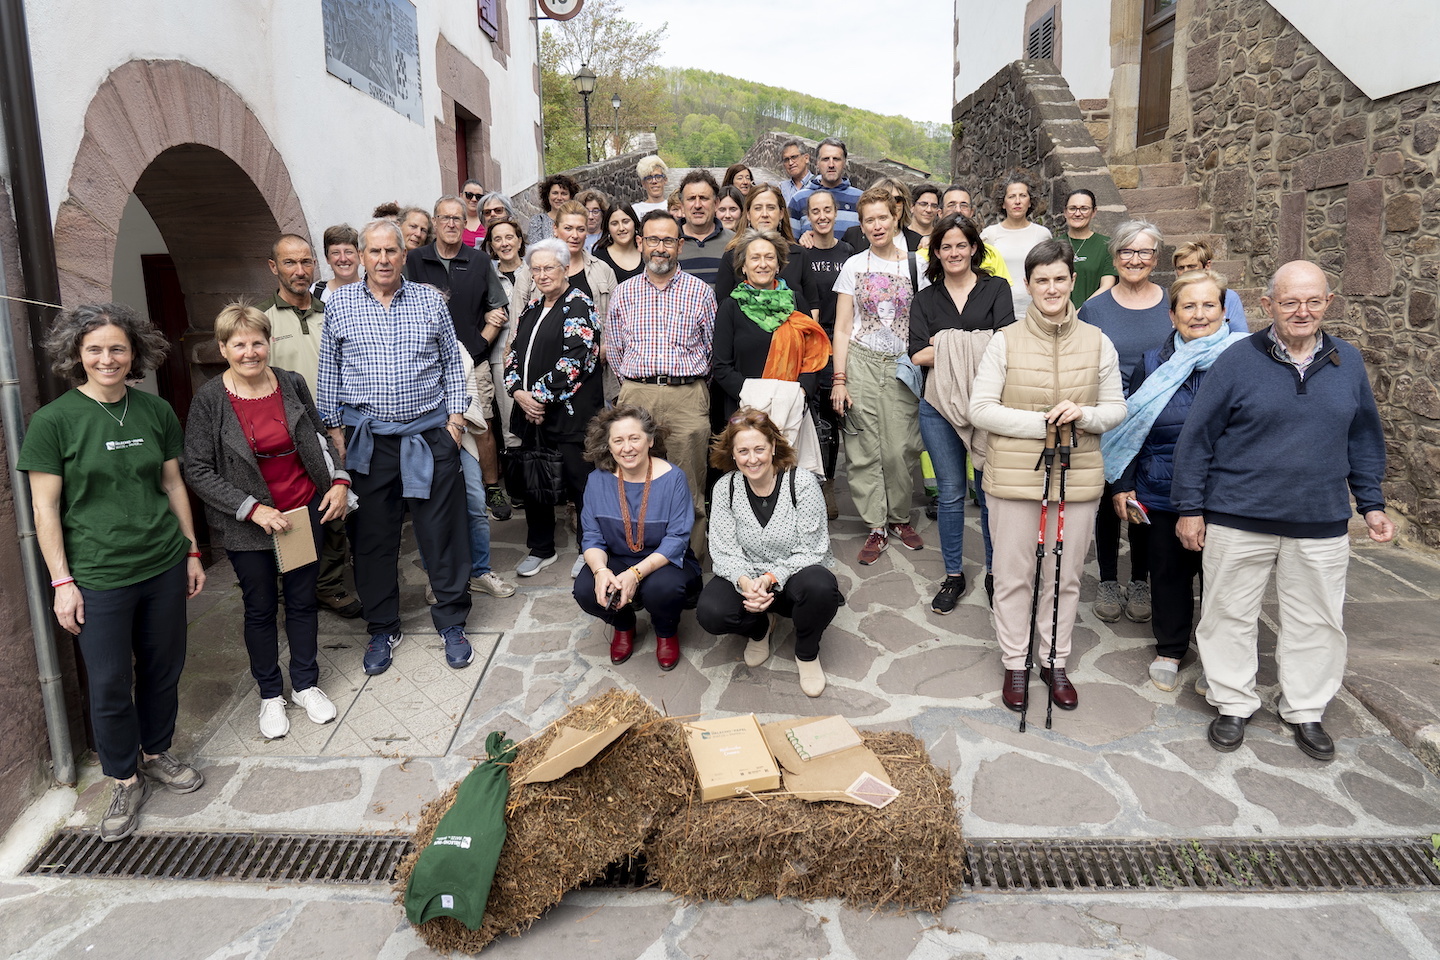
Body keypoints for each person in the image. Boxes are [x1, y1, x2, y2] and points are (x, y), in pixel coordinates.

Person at [1173, 260, 1394, 759]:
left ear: (1328, 304)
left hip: (1320, 519)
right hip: (1237, 514)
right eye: (1290, 301)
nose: (1302, 311)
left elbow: (1362, 437)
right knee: (1228, 613)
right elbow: (1198, 439)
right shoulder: (1236, 360)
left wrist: (1372, 503)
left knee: (1317, 620)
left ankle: (1306, 709)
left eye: (1313, 301)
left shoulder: (1349, 362)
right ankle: (1232, 702)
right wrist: (1190, 507)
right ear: (1268, 306)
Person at [19, 303, 207, 842]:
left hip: (163, 562)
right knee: (107, 683)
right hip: (99, 575)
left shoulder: (155, 411)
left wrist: (191, 552)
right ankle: (124, 777)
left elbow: (173, 485)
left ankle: (156, 752)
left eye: (118, 348)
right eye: (96, 349)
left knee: (163, 667)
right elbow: (44, 510)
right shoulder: (53, 423)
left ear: (135, 354)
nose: (108, 358)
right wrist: (62, 582)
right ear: (77, 354)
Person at [969, 240, 1126, 712]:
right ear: (1028, 285)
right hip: (1015, 477)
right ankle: (1016, 663)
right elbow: (981, 409)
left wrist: (1082, 414)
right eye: (1042, 280)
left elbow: (1117, 409)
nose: (1052, 288)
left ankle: (1054, 659)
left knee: (1064, 576)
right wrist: (1041, 424)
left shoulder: (1098, 341)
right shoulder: (1006, 340)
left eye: (1060, 278)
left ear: (1071, 281)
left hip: (1076, 476)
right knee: (1014, 574)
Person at [184, 304, 350, 739]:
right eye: (239, 344)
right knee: (259, 609)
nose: (250, 351)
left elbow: (319, 436)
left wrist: (339, 479)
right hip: (249, 523)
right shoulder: (209, 400)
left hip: (299, 513)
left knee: (301, 601)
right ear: (224, 349)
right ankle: (270, 695)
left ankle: (306, 685)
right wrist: (252, 509)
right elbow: (197, 469)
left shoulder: (291, 383)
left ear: (268, 342)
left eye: (257, 341)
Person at [317, 219, 475, 677]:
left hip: (429, 436)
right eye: (375, 252)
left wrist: (456, 419)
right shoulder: (341, 305)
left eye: (391, 251)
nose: (383, 260)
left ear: (404, 256)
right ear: (361, 256)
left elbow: (451, 361)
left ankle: (451, 622)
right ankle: (383, 627)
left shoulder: (428, 299)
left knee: (441, 533)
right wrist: (334, 430)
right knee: (371, 539)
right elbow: (329, 371)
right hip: (369, 442)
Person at [1102, 270, 1248, 693]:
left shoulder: (1246, 360)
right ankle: (1170, 648)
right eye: (1189, 306)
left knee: (1223, 581)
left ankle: (1219, 660)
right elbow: (1130, 429)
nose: (1199, 315)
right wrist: (1123, 485)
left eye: (1209, 305)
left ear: (1224, 311)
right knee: (1167, 572)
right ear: (1172, 315)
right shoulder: (1153, 363)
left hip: (1226, 492)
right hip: (1162, 487)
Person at [909, 214, 1015, 612]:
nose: (954, 252)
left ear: (974, 248)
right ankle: (953, 575)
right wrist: (973, 341)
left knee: (988, 493)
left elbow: (1005, 344)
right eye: (946, 246)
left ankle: (995, 572)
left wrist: (947, 342)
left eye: (961, 244)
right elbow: (917, 353)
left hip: (989, 406)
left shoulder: (996, 289)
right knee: (951, 494)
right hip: (937, 407)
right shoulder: (926, 298)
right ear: (936, 252)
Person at [699, 408, 841, 697]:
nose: (752, 459)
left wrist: (771, 577)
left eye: (759, 449)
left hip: (794, 579)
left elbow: (813, 549)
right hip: (750, 582)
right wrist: (746, 583)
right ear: (733, 454)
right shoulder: (725, 488)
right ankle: (760, 628)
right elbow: (724, 551)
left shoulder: (800, 482)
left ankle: (806, 652)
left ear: (773, 447)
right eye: (743, 451)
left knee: (821, 587)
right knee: (711, 612)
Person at [260, 234, 362, 619]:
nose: (299, 271)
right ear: (274, 267)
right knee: (293, 513)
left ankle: (330, 585)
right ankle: (294, 589)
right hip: (285, 437)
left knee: (335, 507)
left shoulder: (332, 312)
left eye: (305, 262)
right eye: (289, 263)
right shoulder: (262, 320)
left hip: (336, 427)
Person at [607, 211, 718, 551]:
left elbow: (712, 350)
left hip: (687, 396)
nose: (660, 248)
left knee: (689, 487)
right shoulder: (623, 293)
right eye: (653, 239)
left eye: (668, 240)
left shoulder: (700, 292)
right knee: (635, 485)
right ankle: (637, 560)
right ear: (640, 243)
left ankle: (689, 564)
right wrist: (634, 387)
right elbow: (614, 350)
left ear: (680, 246)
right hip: (636, 396)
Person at [1079, 220, 1172, 625]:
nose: (1135, 260)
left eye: (1144, 252)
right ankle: (1107, 580)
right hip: (1109, 417)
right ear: (1115, 257)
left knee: (1142, 498)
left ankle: (1139, 578)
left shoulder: (1173, 305)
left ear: (1156, 257)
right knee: (1105, 500)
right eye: (1127, 252)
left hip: (1157, 417)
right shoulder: (1095, 308)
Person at [830, 186, 926, 565]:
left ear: (896, 216)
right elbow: (841, 327)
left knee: (901, 448)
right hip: (861, 362)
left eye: (882, 217)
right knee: (863, 449)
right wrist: (840, 379)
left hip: (903, 365)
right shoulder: (854, 265)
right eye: (868, 219)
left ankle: (899, 517)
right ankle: (875, 525)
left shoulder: (917, 265)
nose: (875, 225)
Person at [405, 196, 513, 522]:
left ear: (464, 224)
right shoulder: (414, 260)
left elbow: (498, 308)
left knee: (482, 425)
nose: (452, 224)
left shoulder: (479, 260)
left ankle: (492, 486)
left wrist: (480, 343)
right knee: (431, 426)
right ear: (435, 223)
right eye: (445, 218)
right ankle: (439, 488)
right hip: (426, 365)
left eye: (457, 218)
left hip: (472, 362)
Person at [574, 405, 701, 670]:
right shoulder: (597, 480)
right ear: (608, 446)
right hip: (618, 557)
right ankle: (623, 624)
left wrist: (635, 574)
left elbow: (677, 539)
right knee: (585, 589)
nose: (627, 448)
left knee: (663, 590)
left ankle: (666, 631)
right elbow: (592, 536)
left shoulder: (673, 478)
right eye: (618, 440)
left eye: (635, 438)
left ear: (650, 440)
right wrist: (599, 571)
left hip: (664, 560)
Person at [505, 238, 603, 578]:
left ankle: (589, 549)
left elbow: (576, 360)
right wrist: (518, 392)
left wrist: (539, 397)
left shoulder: (579, 304)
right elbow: (513, 356)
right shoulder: (531, 308)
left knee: (581, 482)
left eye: (549, 267)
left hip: (569, 414)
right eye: (536, 269)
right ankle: (541, 547)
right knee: (536, 481)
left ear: (565, 269)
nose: (543, 274)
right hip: (531, 413)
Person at [712, 227, 831, 420]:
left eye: (769, 257)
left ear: (778, 265)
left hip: (792, 409)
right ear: (743, 266)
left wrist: (800, 392)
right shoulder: (730, 307)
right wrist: (758, 397)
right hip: (745, 411)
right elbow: (721, 367)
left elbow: (813, 355)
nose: (763, 264)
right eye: (755, 258)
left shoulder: (796, 302)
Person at [512, 200, 619, 414]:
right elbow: (517, 325)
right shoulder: (529, 271)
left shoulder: (602, 271)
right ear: (555, 229)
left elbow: (616, 321)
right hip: (543, 378)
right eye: (568, 228)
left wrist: (606, 348)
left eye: (581, 229)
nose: (575, 235)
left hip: (592, 375)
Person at [713, 184, 820, 311]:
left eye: (771, 208)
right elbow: (722, 305)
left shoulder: (799, 255)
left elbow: (812, 306)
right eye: (758, 208)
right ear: (748, 214)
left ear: (781, 213)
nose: (764, 214)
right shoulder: (732, 256)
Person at [981, 174, 1052, 319]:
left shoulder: (1042, 234)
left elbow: (1049, 273)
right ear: (1003, 203)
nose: (1017, 201)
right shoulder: (989, 235)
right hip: (998, 310)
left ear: (1030, 201)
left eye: (1023, 196)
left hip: (1036, 310)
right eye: (1012, 196)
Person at [788, 137, 863, 238]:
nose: (831, 165)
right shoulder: (799, 200)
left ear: (844, 163)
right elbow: (790, 245)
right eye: (825, 159)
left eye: (836, 159)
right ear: (817, 163)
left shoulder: (860, 199)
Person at [1172, 240, 1250, 333]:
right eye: (1181, 268)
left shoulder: (1229, 297)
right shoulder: (1172, 297)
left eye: (1191, 266)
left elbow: (1240, 334)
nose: (1185, 271)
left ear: (1207, 265)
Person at [675, 170, 733, 287]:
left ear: (716, 204)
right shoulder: (669, 242)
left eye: (703, 198)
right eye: (691, 198)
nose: (697, 205)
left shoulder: (734, 242)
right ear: (681, 206)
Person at [1062, 189, 1117, 306]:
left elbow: (1107, 286)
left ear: (1093, 212)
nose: (1077, 213)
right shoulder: (1054, 245)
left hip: (1094, 314)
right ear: (1065, 212)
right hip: (1059, 316)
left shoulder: (1106, 245)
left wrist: (1082, 311)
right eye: (1072, 208)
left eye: (1084, 208)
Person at [838, 177, 922, 253]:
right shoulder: (853, 235)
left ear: (905, 203)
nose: (892, 205)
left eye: (897, 200)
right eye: (884, 200)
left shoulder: (917, 241)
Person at [592, 200, 643, 283]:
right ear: (608, 228)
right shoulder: (599, 259)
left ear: (634, 223)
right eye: (614, 223)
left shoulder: (647, 253)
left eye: (626, 222)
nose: (621, 228)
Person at [312, 224, 361, 303]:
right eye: (336, 253)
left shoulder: (375, 291)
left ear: (360, 255)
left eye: (348, 252)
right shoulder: (315, 293)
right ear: (327, 258)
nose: (343, 259)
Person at [526, 173, 579, 243]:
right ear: (548, 195)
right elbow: (535, 248)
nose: (559, 198)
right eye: (555, 193)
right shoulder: (538, 221)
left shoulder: (577, 219)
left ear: (570, 197)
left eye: (564, 193)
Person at [909, 183, 943, 249]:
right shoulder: (901, 236)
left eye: (934, 206)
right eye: (923, 204)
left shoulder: (941, 237)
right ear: (912, 207)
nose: (929, 210)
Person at [778, 140, 811, 205]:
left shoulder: (819, 184)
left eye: (794, 157)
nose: (790, 163)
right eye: (786, 160)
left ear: (806, 158)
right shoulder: (782, 189)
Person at [577, 188, 610, 252]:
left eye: (595, 211)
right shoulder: (575, 239)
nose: (590, 217)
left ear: (602, 213)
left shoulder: (608, 239)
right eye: (586, 211)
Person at [461, 179, 489, 247]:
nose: (474, 199)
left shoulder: (488, 220)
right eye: (469, 195)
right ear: (461, 196)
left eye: (478, 197)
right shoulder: (453, 221)